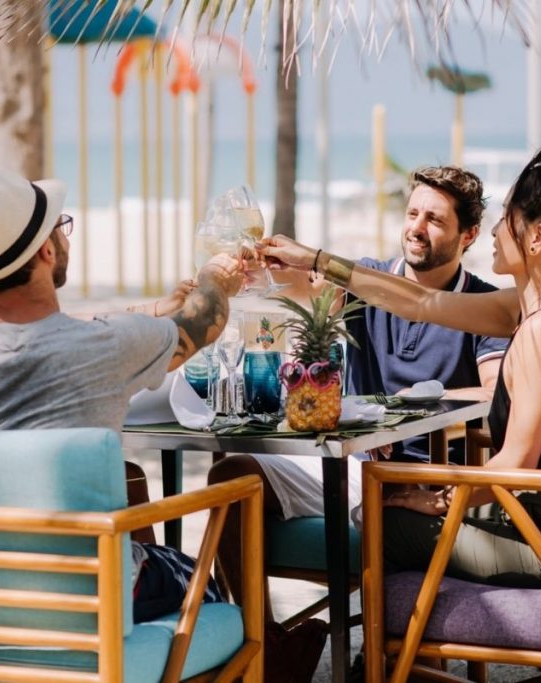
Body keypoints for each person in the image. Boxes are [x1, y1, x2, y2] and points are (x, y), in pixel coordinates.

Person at [0, 163, 243, 622]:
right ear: (45, 250)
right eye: (61, 227)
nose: (65, 236)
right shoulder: (104, 346)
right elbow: (204, 323)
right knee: (208, 583)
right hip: (81, 595)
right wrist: (216, 277)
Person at [261, 142, 541, 586]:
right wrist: (314, 261)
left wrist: (437, 499)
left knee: (381, 520)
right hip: (535, 518)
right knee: (385, 504)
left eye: (508, 218)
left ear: (537, 238)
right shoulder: (533, 309)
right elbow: (421, 302)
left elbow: (518, 462)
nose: (495, 231)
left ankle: (391, 654)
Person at [207, 165, 507, 600]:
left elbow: (494, 392)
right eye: (412, 214)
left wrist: (413, 404)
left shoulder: (482, 305)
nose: (417, 228)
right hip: (353, 462)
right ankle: (259, 636)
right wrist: (261, 268)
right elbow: (302, 290)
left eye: (435, 219)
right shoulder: (366, 279)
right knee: (231, 474)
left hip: (428, 476)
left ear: (469, 235)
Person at [0, 188, 198, 322]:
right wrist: (155, 310)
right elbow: (68, 327)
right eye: (59, 228)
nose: (63, 240)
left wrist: (157, 307)